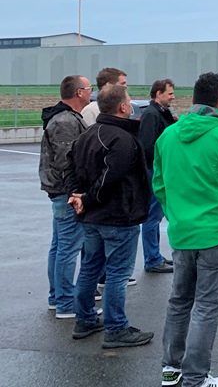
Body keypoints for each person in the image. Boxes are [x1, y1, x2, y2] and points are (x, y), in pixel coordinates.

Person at [154, 72, 218, 387]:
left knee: (179, 301)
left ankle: (171, 368)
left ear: (193, 100)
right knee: (206, 306)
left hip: (183, 232)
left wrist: (176, 216)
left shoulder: (168, 136)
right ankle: (196, 377)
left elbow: (159, 185)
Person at [64, 85, 154, 348]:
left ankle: (85, 319)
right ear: (123, 107)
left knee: (90, 267)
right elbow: (110, 177)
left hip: (94, 216)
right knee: (117, 273)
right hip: (117, 216)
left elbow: (68, 167)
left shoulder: (88, 133)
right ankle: (115, 328)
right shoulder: (121, 138)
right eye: (129, 101)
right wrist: (83, 197)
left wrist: (77, 195)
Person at [40, 74, 91, 318]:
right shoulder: (65, 121)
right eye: (89, 88)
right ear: (79, 92)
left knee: (60, 246)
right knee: (67, 248)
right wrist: (77, 192)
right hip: (66, 193)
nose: (92, 92)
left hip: (61, 192)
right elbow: (66, 162)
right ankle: (65, 303)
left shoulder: (67, 118)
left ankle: (57, 298)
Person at [138, 78, 177, 274]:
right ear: (158, 93)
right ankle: (152, 259)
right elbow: (147, 147)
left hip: (159, 169)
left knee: (156, 215)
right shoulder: (152, 115)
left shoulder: (161, 113)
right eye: (170, 93)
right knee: (152, 217)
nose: (173, 97)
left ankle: (155, 256)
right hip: (154, 171)